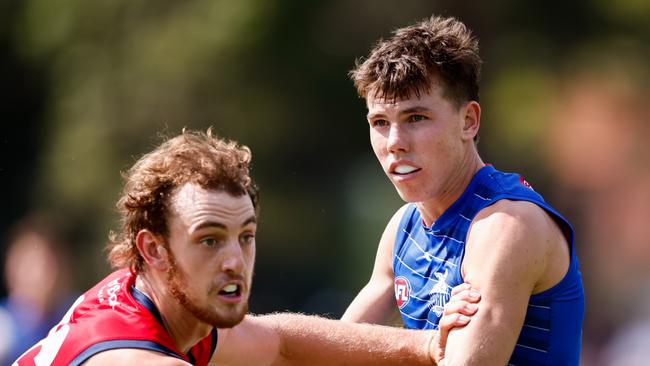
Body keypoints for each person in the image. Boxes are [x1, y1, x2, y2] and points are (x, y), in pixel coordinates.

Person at [13, 130, 478, 366]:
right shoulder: (131, 357)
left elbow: (281, 343)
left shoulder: (163, 308)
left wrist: (424, 346)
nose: (234, 260)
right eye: (209, 241)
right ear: (153, 250)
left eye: (246, 236)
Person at [341, 15, 585, 365]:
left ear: (468, 121)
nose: (395, 143)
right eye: (380, 123)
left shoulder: (507, 226)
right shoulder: (404, 227)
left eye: (416, 118)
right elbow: (338, 346)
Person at [0, 216, 76, 365]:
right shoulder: (4, 328)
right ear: (12, 268)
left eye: (50, 264)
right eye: (33, 266)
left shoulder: (75, 315)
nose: (45, 275)